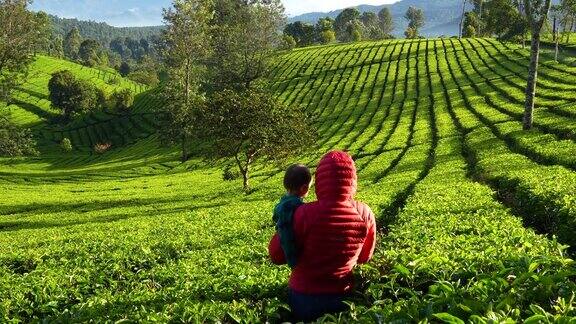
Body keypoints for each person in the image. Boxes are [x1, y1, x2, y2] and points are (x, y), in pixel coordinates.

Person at [268, 151, 377, 322]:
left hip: (305, 299)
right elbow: (365, 257)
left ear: (320, 180)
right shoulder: (365, 213)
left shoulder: (302, 214)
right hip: (344, 297)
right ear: (352, 180)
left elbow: (276, 255)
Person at [273, 164, 312, 268]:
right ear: (304, 188)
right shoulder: (295, 207)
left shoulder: (280, 205)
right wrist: (294, 262)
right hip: (296, 256)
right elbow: (287, 236)